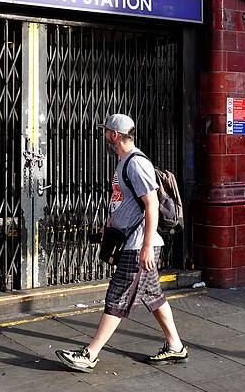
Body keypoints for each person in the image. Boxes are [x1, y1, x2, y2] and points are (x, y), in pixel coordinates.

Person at [55, 113, 187, 373]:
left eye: (106, 131)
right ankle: (175, 345)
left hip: (139, 245)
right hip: (133, 241)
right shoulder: (123, 161)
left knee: (117, 296)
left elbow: (152, 206)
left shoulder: (136, 163)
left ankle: (90, 354)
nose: (104, 135)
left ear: (114, 135)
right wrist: (111, 224)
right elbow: (126, 202)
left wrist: (147, 246)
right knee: (154, 296)